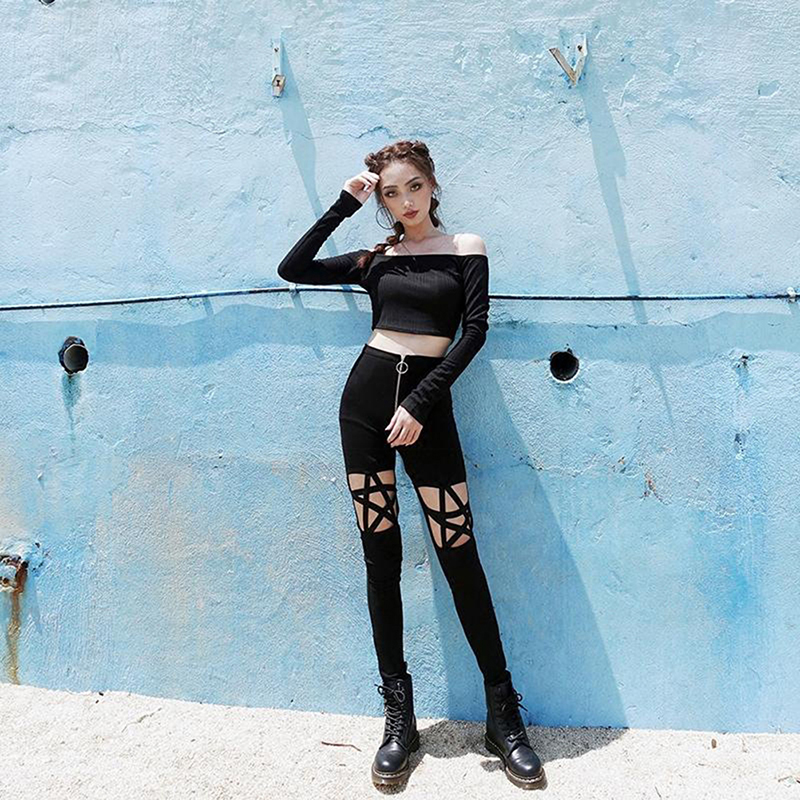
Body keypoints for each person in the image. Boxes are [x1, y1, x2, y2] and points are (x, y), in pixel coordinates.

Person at [277, 139, 546, 791]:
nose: (404, 202)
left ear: (432, 185)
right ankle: (400, 720)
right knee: (382, 558)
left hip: (425, 412)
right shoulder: (375, 258)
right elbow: (293, 267)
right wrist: (346, 203)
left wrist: (421, 402)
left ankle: (503, 715)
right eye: (391, 193)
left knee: (459, 553)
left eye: (413, 187)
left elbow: (473, 331)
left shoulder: (465, 248)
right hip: (364, 408)